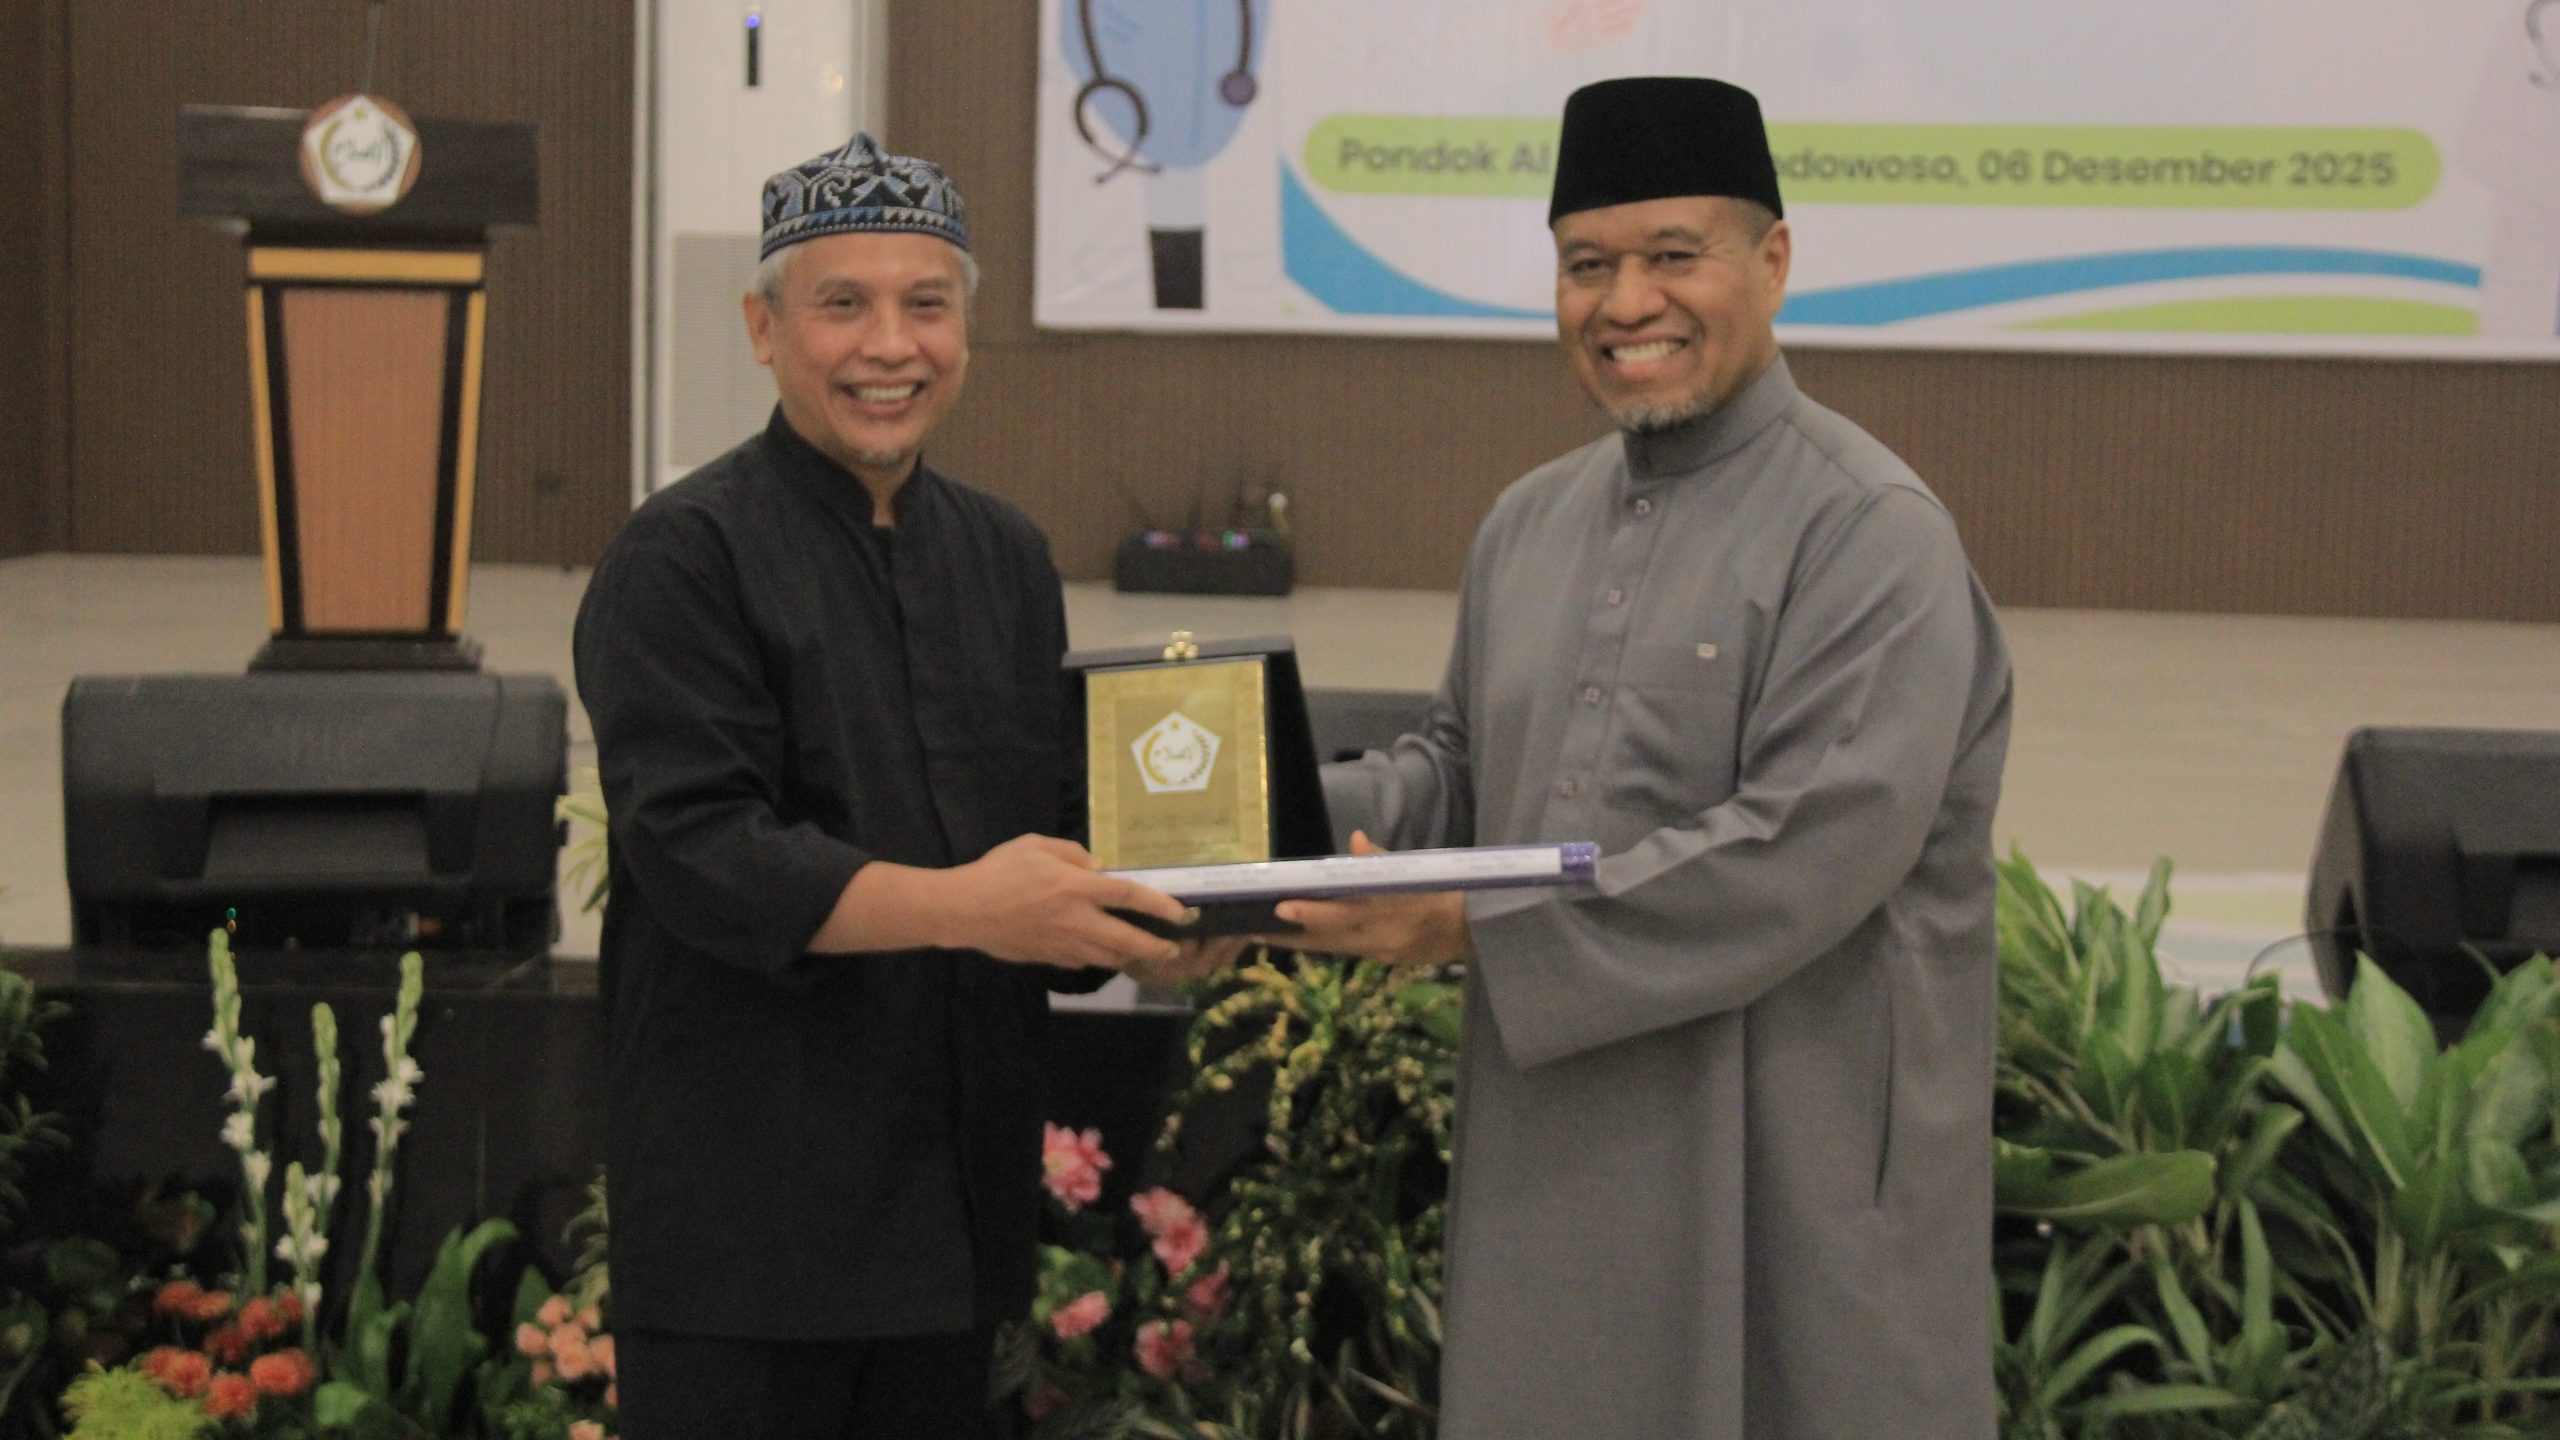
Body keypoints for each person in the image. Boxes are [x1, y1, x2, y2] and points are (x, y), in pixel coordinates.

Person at [1272, 78, 2014, 1438]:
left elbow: (1808, 845)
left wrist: (1471, 924)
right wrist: (1250, 831)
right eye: (1586, 266)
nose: (1627, 304)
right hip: (1566, 1155)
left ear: (1772, 261)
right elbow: (1459, 778)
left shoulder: (1869, 529)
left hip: (1793, 1169)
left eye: (1674, 255)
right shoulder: (1527, 523)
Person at [573, 134, 1223, 1440]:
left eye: (927, 304)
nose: (891, 345)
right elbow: (706, 853)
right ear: (764, 328)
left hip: (952, 1226)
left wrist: (1179, 913)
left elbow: (1058, 828)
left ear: (965, 329)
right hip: (746, 1240)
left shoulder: (1006, 556)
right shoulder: (682, 558)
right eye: (843, 304)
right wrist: (973, 907)